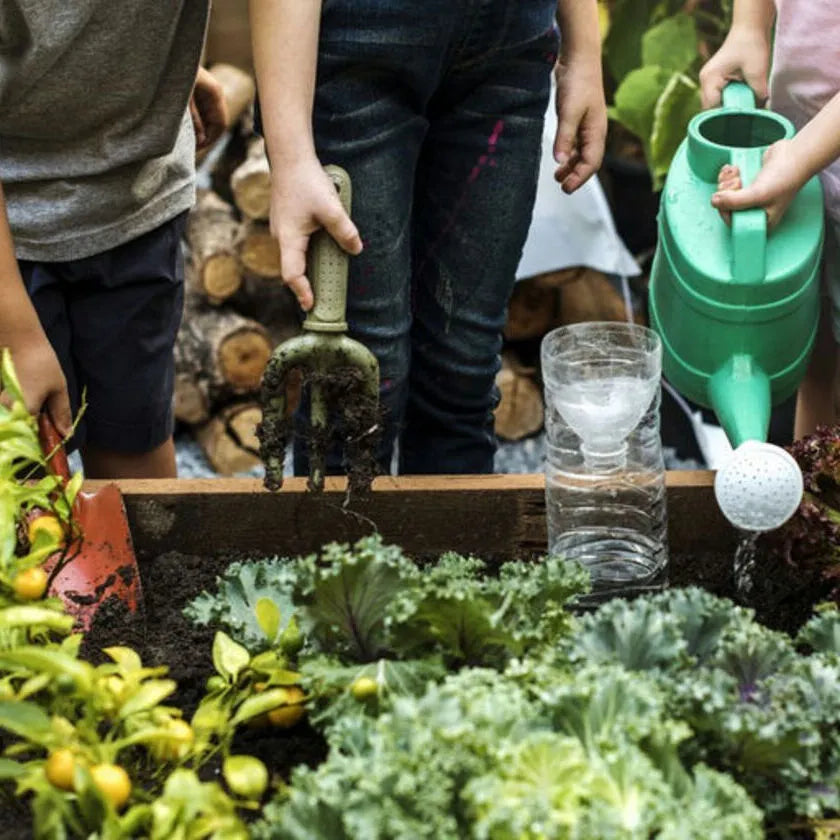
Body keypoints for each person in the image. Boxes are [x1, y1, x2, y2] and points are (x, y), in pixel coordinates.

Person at [250, 0, 606, 475]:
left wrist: (582, 53)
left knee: (464, 371)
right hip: (360, 42)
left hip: (511, 50)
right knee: (359, 376)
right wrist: (291, 154)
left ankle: (449, 547)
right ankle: (339, 547)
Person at [0, 1, 226, 478]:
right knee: (21, 479)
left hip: (137, 207)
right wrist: (17, 334)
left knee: (136, 452)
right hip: (11, 237)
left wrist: (155, 65)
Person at [699, 0, 840, 439]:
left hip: (802, 158)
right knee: (816, 367)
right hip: (805, 164)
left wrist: (799, 158)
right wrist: (749, 25)